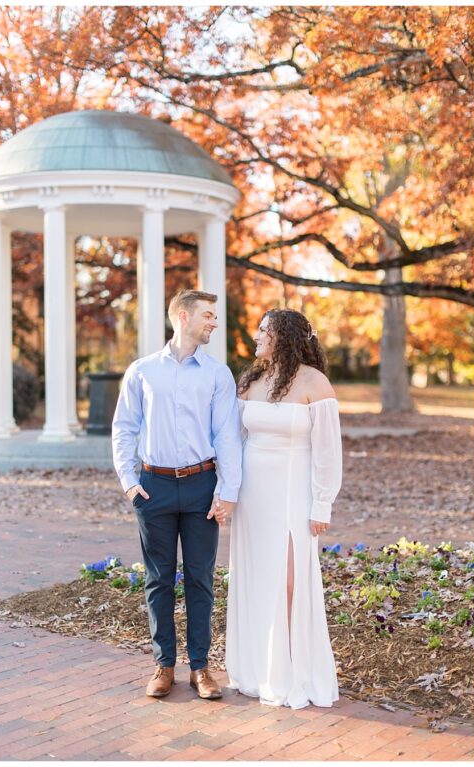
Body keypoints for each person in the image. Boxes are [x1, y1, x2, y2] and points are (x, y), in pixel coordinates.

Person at [112, 289, 243, 700]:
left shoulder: (217, 374)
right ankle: (163, 665)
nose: (214, 322)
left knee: (201, 580)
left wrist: (228, 490)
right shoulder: (142, 371)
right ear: (182, 317)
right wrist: (130, 483)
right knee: (158, 581)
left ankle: (201, 669)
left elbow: (226, 435)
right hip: (154, 489)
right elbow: (124, 428)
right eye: (208, 314)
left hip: (203, 485)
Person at [225, 308, 342, 709]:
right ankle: (257, 668)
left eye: (264, 330)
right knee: (255, 579)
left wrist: (321, 502)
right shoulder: (251, 380)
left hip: (293, 495)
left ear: (284, 336)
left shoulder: (315, 383)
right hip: (252, 495)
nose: (257, 336)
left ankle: (292, 669)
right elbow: (233, 441)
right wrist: (227, 491)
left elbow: (328, 451)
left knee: (290, 580)